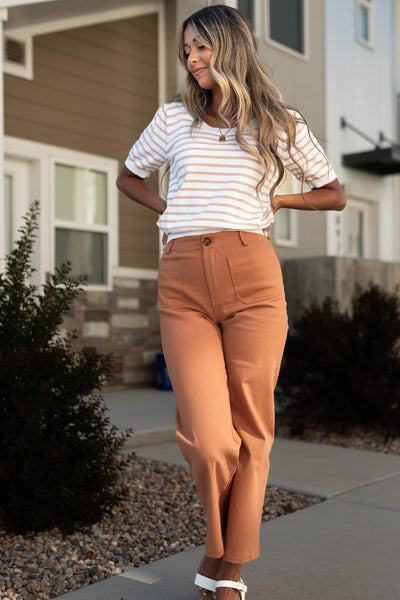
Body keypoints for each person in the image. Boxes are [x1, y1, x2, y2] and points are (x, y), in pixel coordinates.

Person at [117, 5, 345, 599]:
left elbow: (334, 193)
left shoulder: (279, 122)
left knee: (252, 429)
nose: (192, 59)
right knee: (211, 436)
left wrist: (279, 202)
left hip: (253, 274)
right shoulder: (173, 118)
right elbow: (129, 175)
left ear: (229, 47)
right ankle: (221, 547)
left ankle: (230, 570)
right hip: (184, 278)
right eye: (186, 50)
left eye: (201, 48)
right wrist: (174, 211)